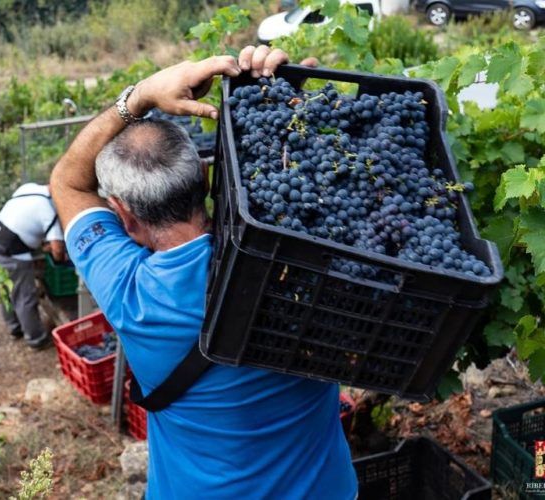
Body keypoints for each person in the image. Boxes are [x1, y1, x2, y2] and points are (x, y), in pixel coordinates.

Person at [50, 45, 357, 498]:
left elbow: (68, 181)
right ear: (209, 181)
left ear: (123, 217)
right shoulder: (298, 263)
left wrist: (140, 98)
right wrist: (281, 95)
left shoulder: (130, 296)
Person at [0, 182, 65, 349]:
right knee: (24, 298)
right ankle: (37, 339)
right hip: (13, 255)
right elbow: (57, 251)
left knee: (5, 292)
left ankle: (15, 328)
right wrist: (57, 252)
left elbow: (23, 219)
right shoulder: (50, 212)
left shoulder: (28, 188)